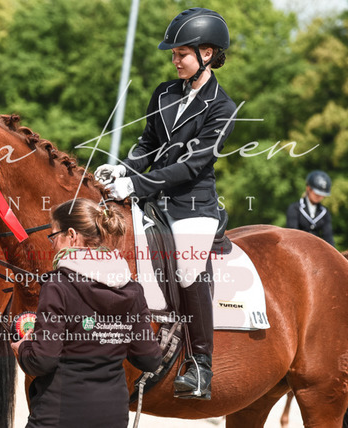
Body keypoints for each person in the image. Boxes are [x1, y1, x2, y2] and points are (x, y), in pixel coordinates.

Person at [94, 8, 236, 400]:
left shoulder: (222, 108)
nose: (174, 59)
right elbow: (148, 143)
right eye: (173, 53)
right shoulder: (164, 92)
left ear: (207, 54)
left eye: (181, 53)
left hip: (193, 205)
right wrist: (121, 169)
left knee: (189, 268)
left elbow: (191, 166)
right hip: (152, 197)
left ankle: (200, 364)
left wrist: (135, 184)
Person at [11, 198, 162, 428]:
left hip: (59, 416)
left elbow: (42, 361)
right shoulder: (132, 289)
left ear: (72, 235)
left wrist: (23, 348)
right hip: (113, 417)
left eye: (54, 235)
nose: (52, 244)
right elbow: (150, 359)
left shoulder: (58, 285)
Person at [286, 170, 335, 246]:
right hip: (297, 247)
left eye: (322, 194)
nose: (319, 196)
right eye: (317, 193)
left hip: (317, 248)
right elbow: (292, 234)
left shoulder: (324, 212)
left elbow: (328, 237)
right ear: (308, 188)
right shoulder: (295, 208)